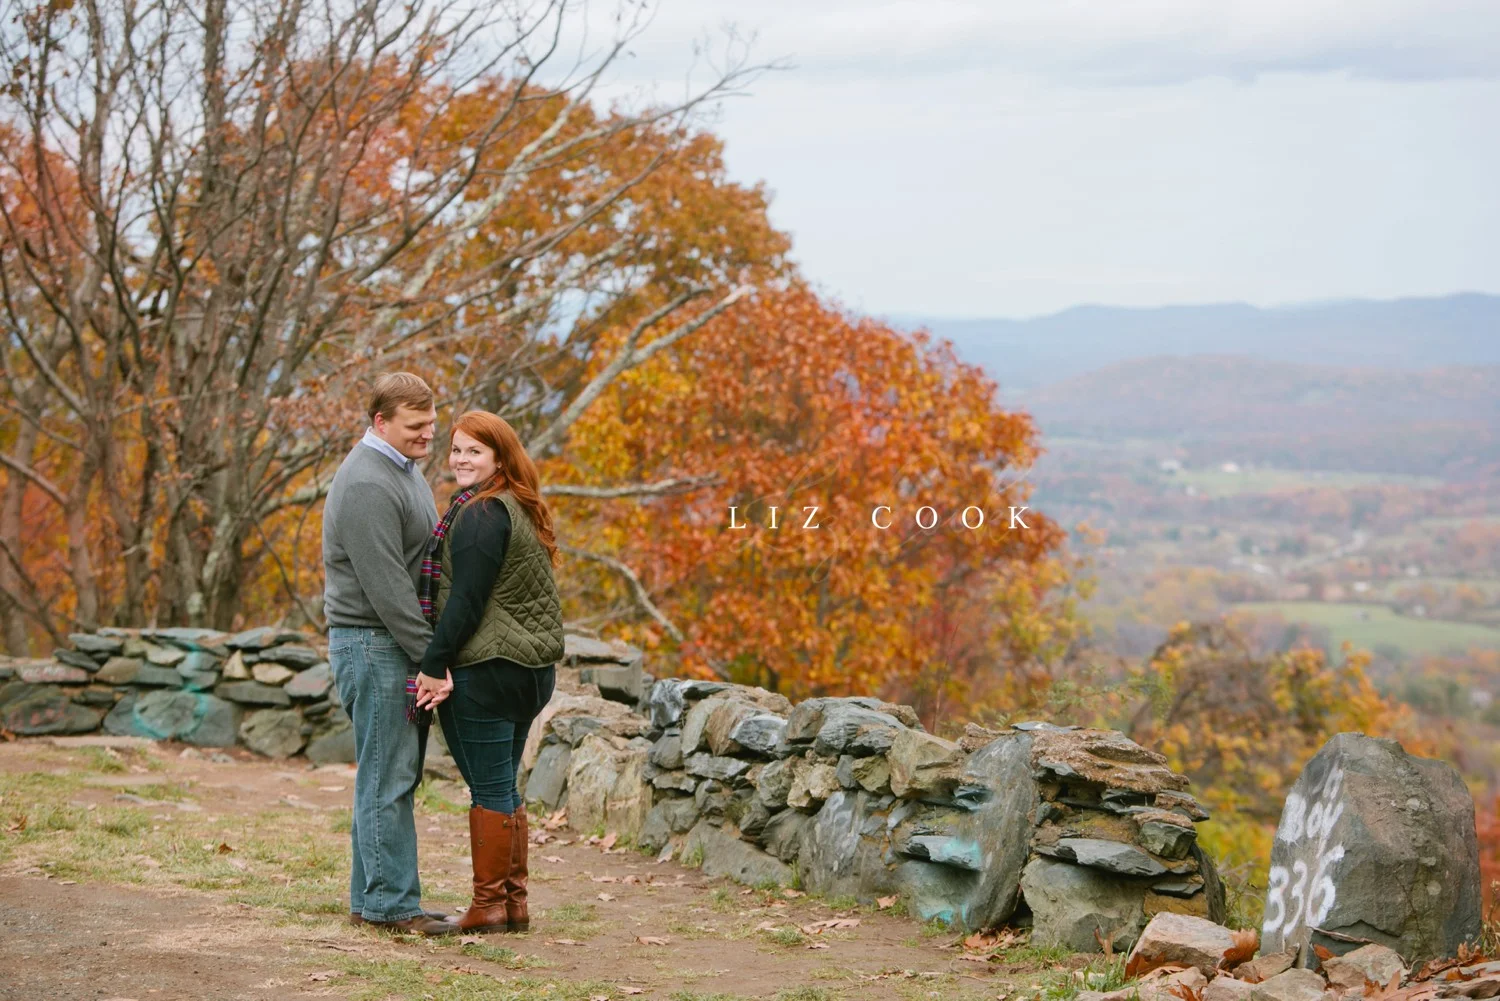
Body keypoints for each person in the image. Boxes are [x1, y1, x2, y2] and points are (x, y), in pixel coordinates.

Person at [412, 410, 564, 934]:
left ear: (499, 456)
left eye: (474, 451)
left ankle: (487, 908)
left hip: (489, 671)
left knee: (490, 790)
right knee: (505, 787)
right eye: (455, 449)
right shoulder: (519, 505)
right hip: (531, 670)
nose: (460, 459)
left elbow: (466, 602)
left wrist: (433, 665)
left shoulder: (480, 514)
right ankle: (513, 904)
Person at [321, 372, 457, 936]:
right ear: (381, 422)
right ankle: (392, 908)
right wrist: (432, 659)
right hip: (373, 643)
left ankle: (373, 899)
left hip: (387, 642)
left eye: (431, 421)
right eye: (416, 425)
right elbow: (388, 588)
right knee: (387, 778)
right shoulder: (367, 483)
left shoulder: (402, 469)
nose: (430, 433)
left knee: (388, 774)